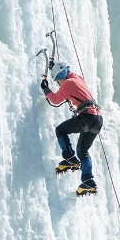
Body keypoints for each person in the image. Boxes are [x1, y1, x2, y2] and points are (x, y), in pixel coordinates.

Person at [40, 61, 103, 196]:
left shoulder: (68, 83)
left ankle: (70, 159)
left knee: (60, 130)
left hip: (87, 117)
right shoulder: (77, 78)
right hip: (97, 119)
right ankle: (88, 181)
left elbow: (55, 99)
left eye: (58, 80)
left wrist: (46, 89)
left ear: (61, 77)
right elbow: (70, 87)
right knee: (82, 151)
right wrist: (54, 68)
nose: (59, 83)